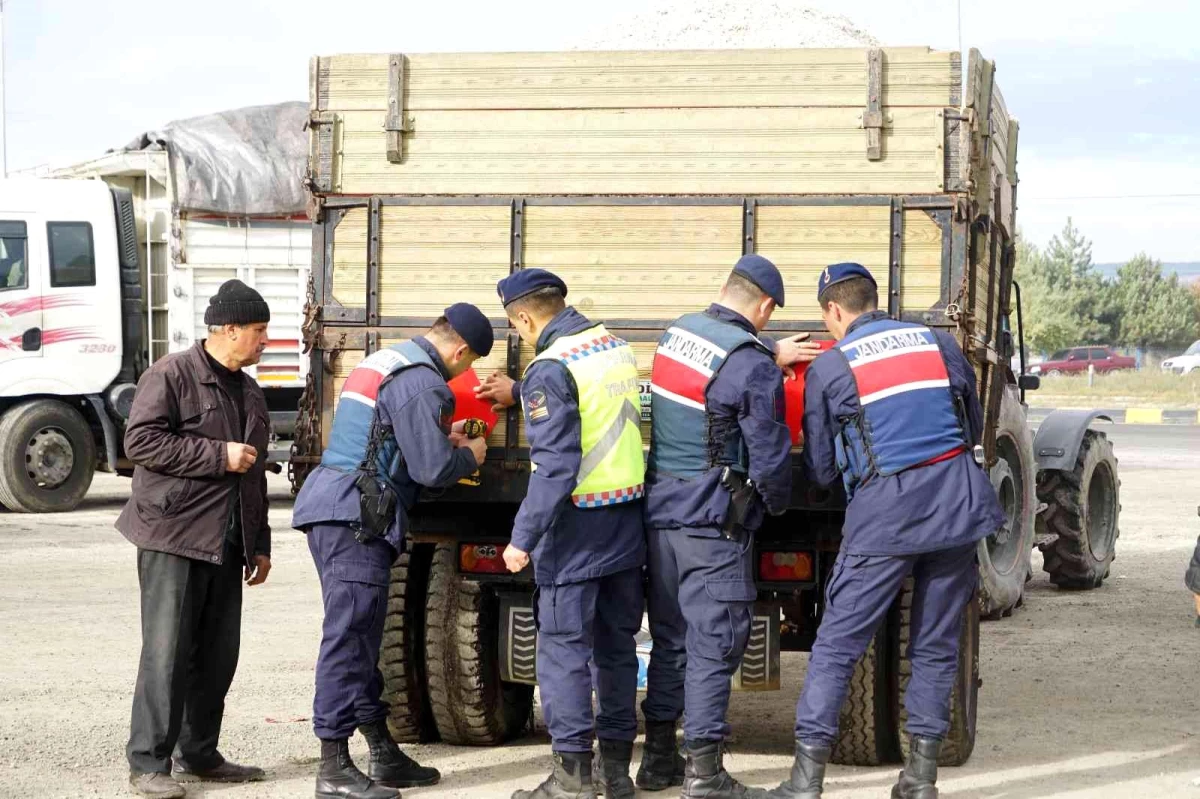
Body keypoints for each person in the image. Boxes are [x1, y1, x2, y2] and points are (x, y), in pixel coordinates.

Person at [766, 263, 1005, 799]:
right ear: (874, 302)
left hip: (884, 518)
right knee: (936, 645)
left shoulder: (833, 367)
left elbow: (823, 469)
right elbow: (966, 423)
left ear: (833, 311)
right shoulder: (936, 345)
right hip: (956, 507)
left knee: (836, 647)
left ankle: (806, 783)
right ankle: (920, 781)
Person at [292, 305, 493, 799]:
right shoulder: (426, 382)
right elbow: (429, 469)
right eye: (468, 366)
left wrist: (440, 437)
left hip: (336, 506)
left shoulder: (384, 360)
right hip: (358, 517)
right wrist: (469, 454)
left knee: (362, 638)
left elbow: (384, 436)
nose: (465, 374)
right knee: (350, 637)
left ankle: (382, 752)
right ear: (460, 351)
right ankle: (334, 767)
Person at [118, 279, 274, 799]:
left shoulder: (249, 390)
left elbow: (253, 474)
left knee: (216, 655)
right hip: (174, 535)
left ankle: (200, 754)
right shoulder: (171, 374)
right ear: (228, 330)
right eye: (258, 331)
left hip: (226, 544)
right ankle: (149, 764)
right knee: (166, 653)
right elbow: (140, 442)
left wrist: (260, 542)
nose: (264, 341)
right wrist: (217, 456)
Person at [494, 269, 646, 799]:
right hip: (626, 519)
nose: (521, 338)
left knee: (562, 651)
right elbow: (601, 414)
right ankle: (616, 773)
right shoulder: (613, 347)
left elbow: (556, 465)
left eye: (518, 329)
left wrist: (522, 539)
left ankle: (572, 778)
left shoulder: (551, 367)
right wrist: (521, 390)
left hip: (576, 527)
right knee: (616, 648)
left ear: (525, 317)